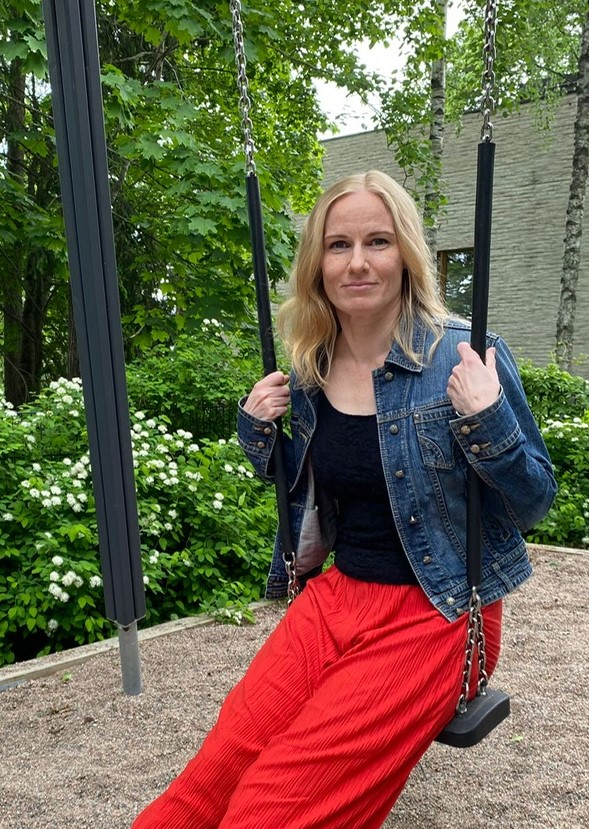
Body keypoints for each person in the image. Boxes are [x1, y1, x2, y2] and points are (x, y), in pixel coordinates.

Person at [131, 170, 556, 829]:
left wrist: (487, 419)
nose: (357, 261)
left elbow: (534, 500)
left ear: (405, 254)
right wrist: (255, 428)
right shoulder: (310, 366)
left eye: (377, 241)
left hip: (438, 612)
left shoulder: (467, 355)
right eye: (337, 245)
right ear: (317, 264)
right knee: (211, 779)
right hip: (336, 597)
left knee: (269, 809)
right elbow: (307, 486)